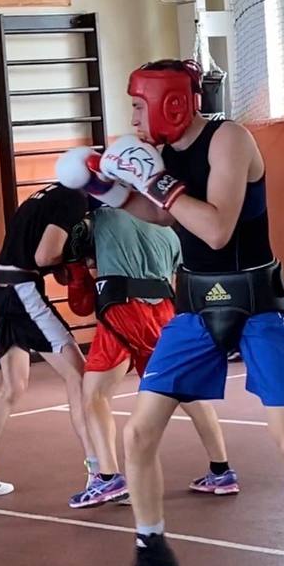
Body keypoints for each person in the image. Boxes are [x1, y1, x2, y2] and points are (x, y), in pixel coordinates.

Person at [61, 59, 284, 566]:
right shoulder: (164, 154)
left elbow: (215, 228)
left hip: (257, 306)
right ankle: (152, 550)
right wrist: (107, 190)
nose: (133, 118)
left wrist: (157, 181)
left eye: (138, 106)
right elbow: (167, 219)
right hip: (193, 308)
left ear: (169, 102)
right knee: (139, 434)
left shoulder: (229, 139)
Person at [58, 200, 238, 508]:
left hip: (123, 308)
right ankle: (221, 471)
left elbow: (72, 242)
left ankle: (108, 478)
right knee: (187, 392)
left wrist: (76, 263)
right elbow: (176, 280)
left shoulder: (101, 217)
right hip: (165, 311)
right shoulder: (169, 229)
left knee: (95, 395)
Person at [0, 178, 102, 501]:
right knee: (79, 376)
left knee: (14, 386)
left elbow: (42, 255)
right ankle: (99, 474)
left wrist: (67, 264)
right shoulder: (74, 200)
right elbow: (45, 256)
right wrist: (76, 259)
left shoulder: (48, 193)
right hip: (22, 291)